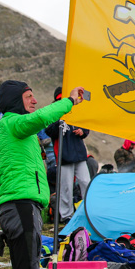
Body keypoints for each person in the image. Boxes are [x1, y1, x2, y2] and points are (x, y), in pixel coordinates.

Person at [0, 80, 85, 269]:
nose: (34, 101)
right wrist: (68, 102)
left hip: (24, 205)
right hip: (20, 206)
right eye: (28, 97)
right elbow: (43, 117)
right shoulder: (12, 123)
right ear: (14, 101)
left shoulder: (19, 129)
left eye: (34, 97)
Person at [45, 87, 90, 224]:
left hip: (79, 153)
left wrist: (82, 131)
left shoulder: (76, 108)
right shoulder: (54, 110)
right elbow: (48, 130)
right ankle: (66, 216)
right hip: (63, 154)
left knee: (85, 182)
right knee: (66, 186)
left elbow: (86, 126)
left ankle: (89, 210)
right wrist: (59, 123)